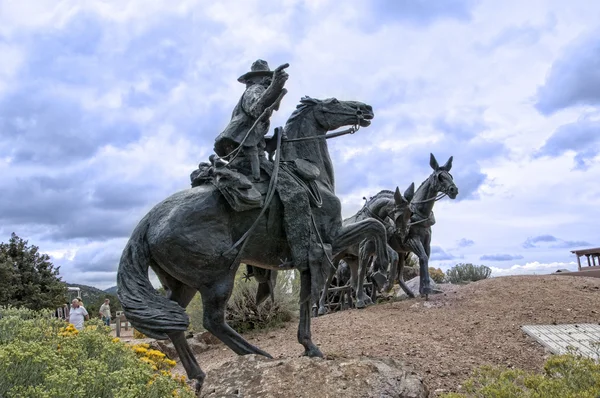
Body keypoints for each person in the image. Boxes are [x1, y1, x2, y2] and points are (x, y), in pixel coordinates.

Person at [213, 59, 289, 181]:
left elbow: (269, 108)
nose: (269, 80)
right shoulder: (254, 89)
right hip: (242, 150)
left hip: (247, 148)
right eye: (266, 77)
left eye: (270, 78)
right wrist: (276, 86)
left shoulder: (259, 90)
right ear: (254, 79)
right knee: (283, 180)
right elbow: (256, 110)